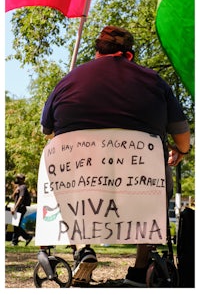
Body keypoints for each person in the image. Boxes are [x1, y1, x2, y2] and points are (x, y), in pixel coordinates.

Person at [41, 25, 190, 287]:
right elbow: (182, 137)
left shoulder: (68, 80)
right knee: (158, 182)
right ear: (129, 54)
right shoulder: (154, 81)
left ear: (97, 51)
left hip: (80, 176)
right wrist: (180, 151)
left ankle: (83, 247)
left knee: (63, 167)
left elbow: (48, 131)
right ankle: (140, 268)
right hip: (141, 176)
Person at [11, 174, 32, 246]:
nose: (17, 179)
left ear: (22, 179)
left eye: (18, 178)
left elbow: (21, 198)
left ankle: (15, 241)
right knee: (15, 225)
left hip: (21, 208)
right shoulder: (18, 187)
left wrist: (15, 207)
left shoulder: (23, 187)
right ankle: (26, 237)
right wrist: (15, 192)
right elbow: (13, 197)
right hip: (17, 207)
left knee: (16, 225)